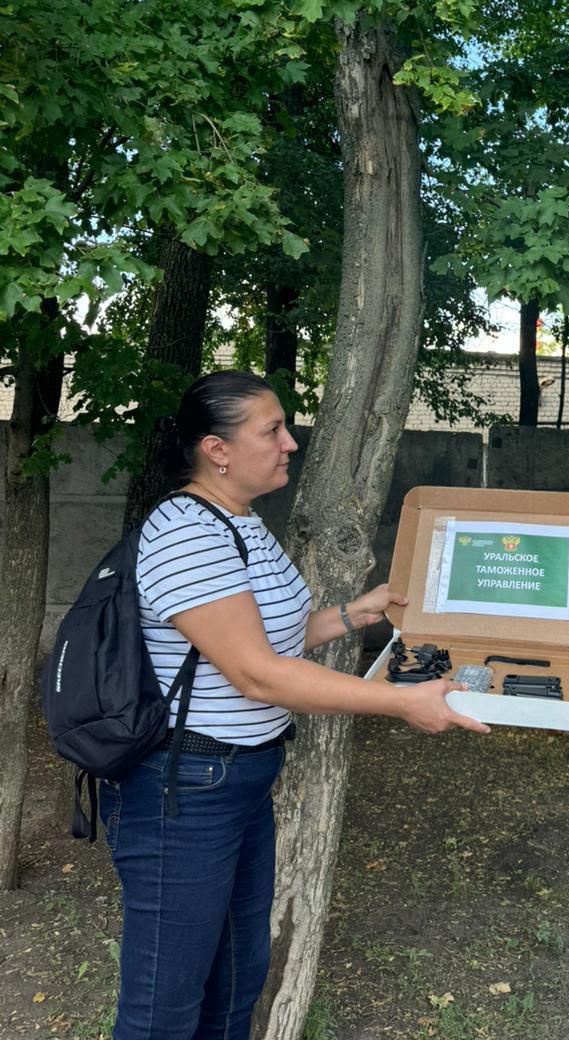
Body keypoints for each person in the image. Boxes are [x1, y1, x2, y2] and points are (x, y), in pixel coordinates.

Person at [98, 370, 488, 1040]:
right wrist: (401, 702)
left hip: (240, 779)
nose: (290, 442)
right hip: (183, 790)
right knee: (164, 1002)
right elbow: (258, 674)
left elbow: (272, 635)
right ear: (217, 450)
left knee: (234, 984)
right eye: (271, 430)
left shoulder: (240, 524)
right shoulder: (186, 532)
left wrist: (351, 612)